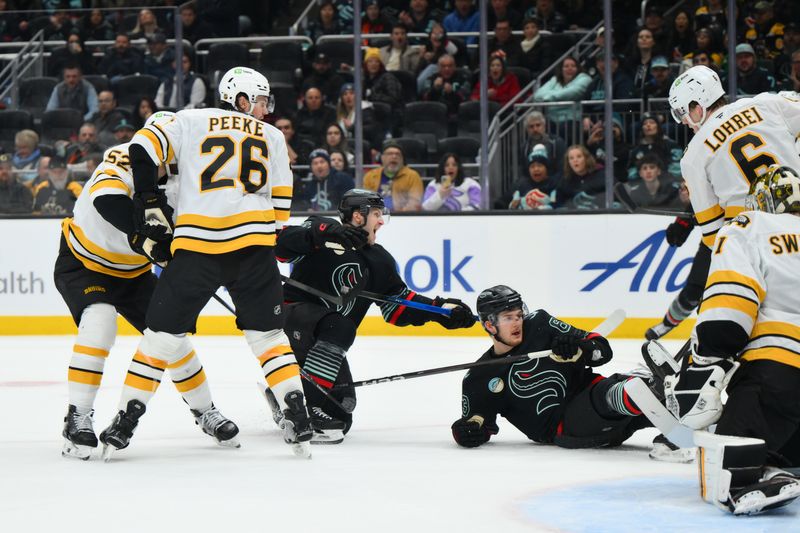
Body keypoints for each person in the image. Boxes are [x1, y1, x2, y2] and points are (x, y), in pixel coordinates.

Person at [98, 66, 312, 459]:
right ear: (242, 100)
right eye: (261, 101)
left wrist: (147, 197)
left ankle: (126, 421)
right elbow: (281, 207)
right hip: (255, 249)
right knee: (267, 337)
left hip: (198, 248)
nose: (265, 110)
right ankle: (297, 412)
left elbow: (141, 148)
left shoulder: (190, 120)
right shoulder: (275, 136)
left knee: (160, 339)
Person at [55, 111, 223, 459]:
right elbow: (106, 200)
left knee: (170, 339)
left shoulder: (189, 175)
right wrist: (141, 236)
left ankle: (206, 411)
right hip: (85, 261)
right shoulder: (124, 155)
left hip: (132, 273)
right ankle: (78, 417)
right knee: (99, 323)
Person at [273, 188, 476, 443]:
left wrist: (441, 311)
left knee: (341, 410)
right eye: (377, 214)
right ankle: (306, 411)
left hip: (324, 339)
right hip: (288, 322)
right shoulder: (319, 228)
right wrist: (324, 233)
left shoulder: (380, 261)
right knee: (342, 326)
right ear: (358, 217)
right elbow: (280, 246)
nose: (381, 221)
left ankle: (287, 395)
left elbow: (398, 307)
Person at [661, 165, 800, 515]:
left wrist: (702, 366)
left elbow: (729, 316)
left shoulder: (748, 227)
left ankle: (752, 476)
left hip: (781, 371)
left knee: (734, 462)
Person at [649, 66, 800, 339]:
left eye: (683, 112)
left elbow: (713, 236)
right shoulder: (767, 103)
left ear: (698, 106)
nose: (683, 121)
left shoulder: (693, 155)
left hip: (755, 242)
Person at [451, 285, 650, 449]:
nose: (517, 323)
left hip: (602, 403)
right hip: (568, 428)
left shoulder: (539, 324)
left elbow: (601, 350)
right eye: (508, 318)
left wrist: (580, 348)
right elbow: (478, 425)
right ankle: (635, 389)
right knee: (614, 394)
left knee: (652, 398)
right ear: (489, 325)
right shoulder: (479, 376)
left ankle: (660, 392)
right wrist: (464, 432)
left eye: (519, 315)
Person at [532, 56, 592, 142]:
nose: (569, 68)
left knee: (564, 129)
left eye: (573, 66)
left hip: (572, 120)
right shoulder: (555, 80)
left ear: (578, 68)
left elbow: (572, 93)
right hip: (552, 120)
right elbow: (537, 95)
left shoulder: (584, 78)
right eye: (566, 66)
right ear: (561, 69)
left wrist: (547, 97)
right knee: (538, 128)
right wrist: (555, 97)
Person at [362, 139, 423, 211]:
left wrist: (398, 215)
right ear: (382, 158)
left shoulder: (413, 176)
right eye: (389, 154)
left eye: (398, 154)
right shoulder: (370, 176)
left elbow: (415, 202)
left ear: (402, 159)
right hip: (376, 217)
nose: (394, 156)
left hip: (403, 217)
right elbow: (364, 201)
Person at [501, 143, 559, 210]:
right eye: (532, 166)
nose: (536, 169)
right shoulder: (521, 184)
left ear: (546, 168)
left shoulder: (554, 185)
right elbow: (508, 205)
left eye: (539, 165)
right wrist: (513, 205)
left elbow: (556, 205)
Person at [556, 144, 605, 209]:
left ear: (586, 159)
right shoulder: (565, 180)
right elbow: (559, 203)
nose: (575, 160)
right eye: (571, 158)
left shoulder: (601, 175)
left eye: (579, 156)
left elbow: (615, 193)